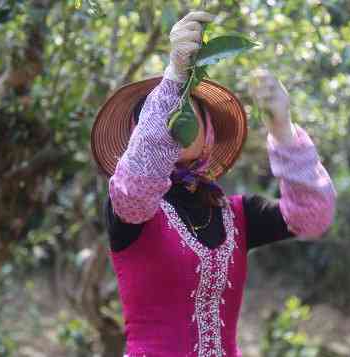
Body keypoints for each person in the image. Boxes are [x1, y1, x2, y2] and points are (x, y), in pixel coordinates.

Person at [91, 10, 337, 357]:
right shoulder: (130, 207)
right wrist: (175, 74)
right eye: (164, 108)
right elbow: (138, 183)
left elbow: (313, 216)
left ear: (207, 129)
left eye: (187, 105)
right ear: (141, 130)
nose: (176, 114)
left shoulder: (234, 213)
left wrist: (282, 126)